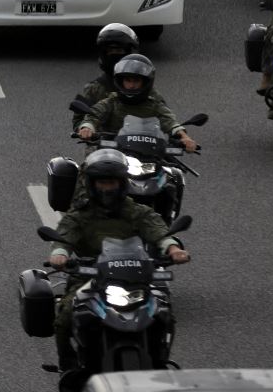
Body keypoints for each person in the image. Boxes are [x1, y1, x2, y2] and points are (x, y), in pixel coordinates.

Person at [44, 148, 187, 377]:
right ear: (92, 185)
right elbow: (65, 236)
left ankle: (160, 358)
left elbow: (157, 230)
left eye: (111, 183)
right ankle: (67, 364)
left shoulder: (137, 211)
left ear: (122, 184)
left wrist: (172, 248)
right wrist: (60, 254)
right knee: (65, 316)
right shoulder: (79, 215)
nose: (106, 188)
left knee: (164, 312)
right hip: (89, 277)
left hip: (135, 276)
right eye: (102, 183)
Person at [74, 55, 199, 150]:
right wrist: (87, 128)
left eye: (136, 81)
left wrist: (184, 137)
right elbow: (94, 115)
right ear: (120, 81)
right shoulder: (111, 102)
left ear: (145, 82)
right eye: (128, 80)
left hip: (149, 153)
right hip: (113, 152)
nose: (132, 85)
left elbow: (170, 122)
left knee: (174, 176)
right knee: (90, 171)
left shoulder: (154, 105)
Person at [77, 22, 140, 110]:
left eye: (119, 50)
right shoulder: (94, 88)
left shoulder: (141, 84)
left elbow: (160, 110)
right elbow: (80, 117)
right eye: (110, 51)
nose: (114, 55)